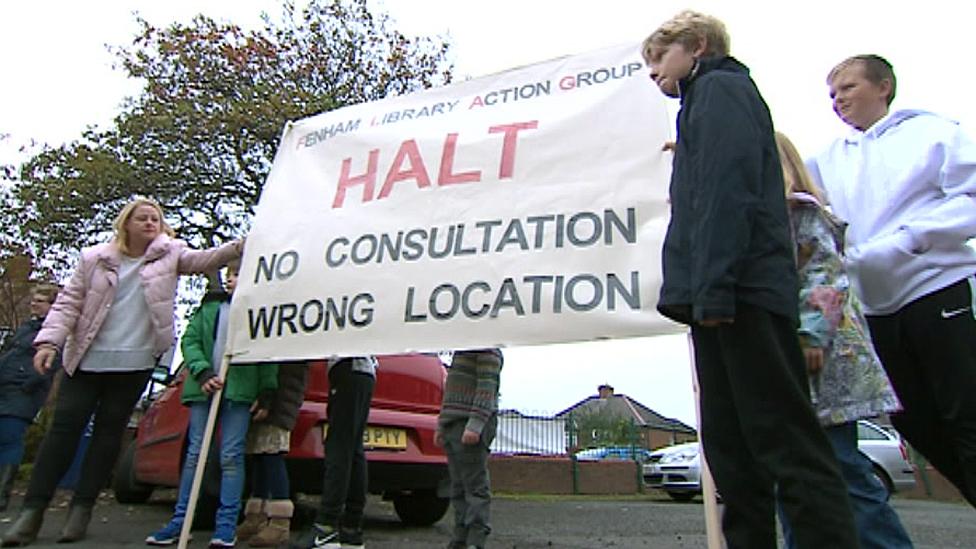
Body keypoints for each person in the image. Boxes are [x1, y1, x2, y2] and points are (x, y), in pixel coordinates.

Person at [642, 11, 858, 548]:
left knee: (784, 439)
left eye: (658, 58)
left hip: (740, 295)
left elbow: (727, 192)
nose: (653, 73)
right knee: (732, 450)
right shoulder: (698, 109)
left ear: (696, 46)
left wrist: (714, 288)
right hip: (715, 297)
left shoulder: (721, 92)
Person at [1, 197, 242, 547]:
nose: (150, 223)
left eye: (155, 219)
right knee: (62, 433)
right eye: (142, 218)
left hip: (134, 363)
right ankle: (32, 511)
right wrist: (49, 343)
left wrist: (242, 245)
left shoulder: (171, 254)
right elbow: (69, 302)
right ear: (126, 223)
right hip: (86, 360)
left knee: (108, 436)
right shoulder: (95, 259)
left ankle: (81, 509)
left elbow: (207, 259)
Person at [807, 54, 976, 506]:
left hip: (936, 288)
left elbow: (971, 199)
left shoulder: (934, 134)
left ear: (883, 87)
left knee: (966, 412)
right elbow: (786, 186)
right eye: (832, 94)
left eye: (847, 88)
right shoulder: (828, 159)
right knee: (911, 418)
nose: (837, 101)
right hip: (875, 309)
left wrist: (909, 240)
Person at [775, 132, 913, 548]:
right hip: (793, 366)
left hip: (824, 363)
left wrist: (811, 335)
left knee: (841, 469)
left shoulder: (802, 214)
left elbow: (824, 276)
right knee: (794, 475)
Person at [146, 260, 277, 547]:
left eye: (242, 275)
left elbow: (268, 354)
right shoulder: (209, 308)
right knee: (196, 455)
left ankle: (226, 526)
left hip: (239, 392)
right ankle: (181, 522)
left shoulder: (258, 314)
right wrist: (203, 371)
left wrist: (267, 391)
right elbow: (190, 342)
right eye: (232, 275)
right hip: (204, 389)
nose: (234, 280)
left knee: (231, 456)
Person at [290, 356, 376, 549]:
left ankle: (326, 527)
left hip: (348, 366)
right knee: (353, 450)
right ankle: (351, 530)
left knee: (339, 448)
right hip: (363, 370)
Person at [236, 361, 309, 547]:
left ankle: (280, 522)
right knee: (260, 454)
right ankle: (256, 516)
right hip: (273, 392)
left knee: (272, 453)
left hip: (280, 395)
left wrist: (268, 397)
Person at [0, 284, 60, 511]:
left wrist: (29, 384)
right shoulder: (26, 327)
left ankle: (2, 494)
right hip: (4, 387)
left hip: (22, 392)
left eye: (40, 300)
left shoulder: (54, 332)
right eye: (34, 299)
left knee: (9, 438)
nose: (34, 303)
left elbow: (53, 362)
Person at [435, 349, 502, 549]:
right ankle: (460, 537)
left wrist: (475, 425)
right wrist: (442, 424)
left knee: (475, 487)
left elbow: (487, 388)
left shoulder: (487, 349)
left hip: (469, 424)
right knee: (457, 487)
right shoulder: (462, 348)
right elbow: (450, 390)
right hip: (453, 424)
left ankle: (475, 540)